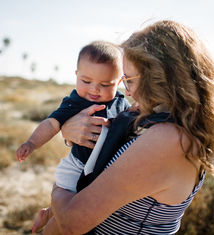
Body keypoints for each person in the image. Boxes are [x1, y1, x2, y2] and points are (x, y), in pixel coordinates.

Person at [33, 20, 214, 234]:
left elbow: (72, 222)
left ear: (157, 77)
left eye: (129, 80)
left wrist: (61, 187)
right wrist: (69, 131)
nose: (127, 91)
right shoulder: (161, 123)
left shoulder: (168, 140)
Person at [16, 41, 130, 219]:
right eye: (86, 81)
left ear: (119, 82)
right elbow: (51, 124)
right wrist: (32, 143)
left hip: (105, 169)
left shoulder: (121, 103)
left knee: (91, 209)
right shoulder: (75, 101)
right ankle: (49, 215)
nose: (94, 89)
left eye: (106, 84)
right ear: (76, 75)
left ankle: (52, 214)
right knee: (69, 209)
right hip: (77, 166)